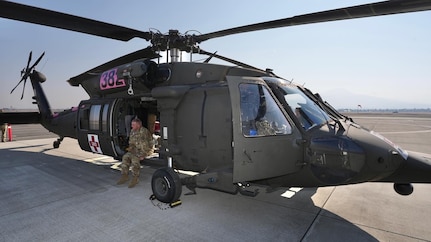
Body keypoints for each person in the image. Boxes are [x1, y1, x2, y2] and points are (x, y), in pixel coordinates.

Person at [117, 117, 154, 188]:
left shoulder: (144, 131)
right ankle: (125, 176)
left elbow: (150, 144)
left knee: (134, 160)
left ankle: (135, 178)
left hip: (144, 151)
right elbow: (131, 143)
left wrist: (145, 154)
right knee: (125, 157)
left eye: (133, 125)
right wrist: (130, 149)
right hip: (135, 150)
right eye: (131, 124)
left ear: (138, 125)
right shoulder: (132, 131)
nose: (131, 126)